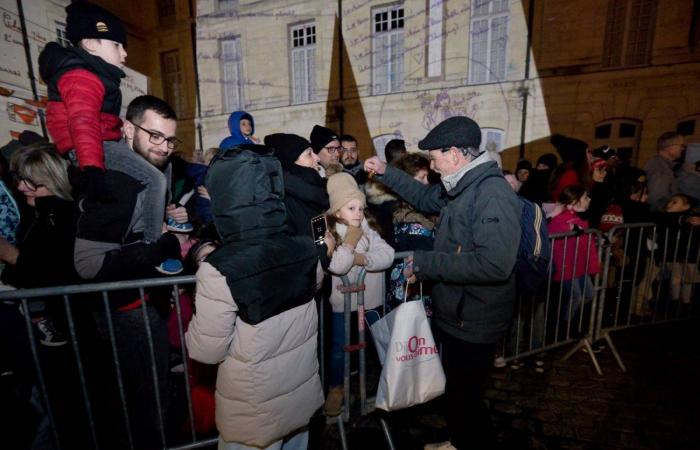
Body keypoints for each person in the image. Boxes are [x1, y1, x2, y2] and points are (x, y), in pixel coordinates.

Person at [364, 116, 521, 450]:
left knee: (466, 399)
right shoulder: (462, 185)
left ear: (454, 154)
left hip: (476, 317)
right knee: (457, 394)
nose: (433, 168)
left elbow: (494, 264)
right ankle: (459, 441)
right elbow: (425, 199)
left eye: (434, 159)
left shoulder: (491, 194)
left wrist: (425, 263)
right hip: (460, 311)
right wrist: (386, 171)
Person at [186, 142, 324, 449]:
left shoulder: (220, 269)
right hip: (298, 393)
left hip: (253, 407)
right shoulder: (305, 247)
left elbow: (206, 351)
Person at [38, 3, 177, 275]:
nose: (125, 53)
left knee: (163, 169)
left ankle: (145, 231)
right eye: (117, 45)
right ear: (90, 43)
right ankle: (152, 244)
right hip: (93, 147)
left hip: (99, 143)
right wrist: (91, 168)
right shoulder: (81, 76)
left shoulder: (93, 74)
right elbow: (83, 123)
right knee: (155, 178)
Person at [73, 95, 187, 281]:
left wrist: (169, 213)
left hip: (148, 296)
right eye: (155, 136)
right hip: (123, 305)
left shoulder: (158, 168)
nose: (165, 148)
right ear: (129, 129)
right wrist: (166, 245)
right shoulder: (117, 183)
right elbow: (89, 266)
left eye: (170, 140)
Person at [323, 172, 394, 416]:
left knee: (380, 342)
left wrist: (361, 259)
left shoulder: (368, 229)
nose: (358, 213)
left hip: (370, 301)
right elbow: (337, 266)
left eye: (361, 208)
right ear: (336, 211)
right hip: (342, 302)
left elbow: (388, 255)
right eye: (351, 207)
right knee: (338, 348)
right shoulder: (329, 233)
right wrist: (351, 242)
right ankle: (336, 389)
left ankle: (390, 381)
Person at [0, 143, 80, 346]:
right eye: (20, 179)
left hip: (71, 326)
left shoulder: (64, 216)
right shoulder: (37, 211)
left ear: (54, 182)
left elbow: (52, 274)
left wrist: (10, 255)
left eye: (32, 183)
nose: (21, 187)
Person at [547, 186, 600, 336]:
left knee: (589, 294)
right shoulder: (561, 217)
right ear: (574, 202)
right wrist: (569, 226)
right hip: (567, 265)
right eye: (585, 198)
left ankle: (571, 322)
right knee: (576, 296)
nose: (588, 200)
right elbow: (553, 228)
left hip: (580, 265)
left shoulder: (581, 217)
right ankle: (565, 327)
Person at [265, 133, 329, 238]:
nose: (317, 158)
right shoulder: (285, 203)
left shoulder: (315, 190)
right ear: (291, 163)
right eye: (309, 154)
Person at [645, 132, 685, 212]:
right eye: (681, 145)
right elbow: (656, 201)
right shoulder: (660, 169)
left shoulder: (666, 166)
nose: (683, 148)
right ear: (668, 147)